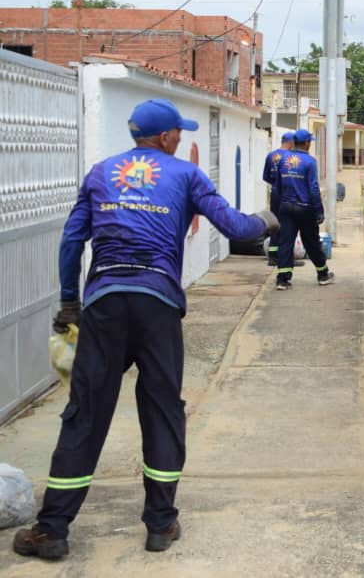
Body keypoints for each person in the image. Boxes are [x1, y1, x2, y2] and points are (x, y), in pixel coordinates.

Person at [12, 99, 278, 561]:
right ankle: (160, 524)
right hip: (157, 305)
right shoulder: (185, 175)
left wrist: (69, 303)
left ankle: (52, 530)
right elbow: (236, 228)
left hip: (105, 303)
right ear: (163, 137)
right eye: (179, 132)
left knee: (86, 413)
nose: (181, 138)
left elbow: (73, 241)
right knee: (161, 410)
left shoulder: (100, 173)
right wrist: (269, 220)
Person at [274, 128, 333, 289]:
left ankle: (282, 279)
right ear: (307, 143)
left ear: (294, 142)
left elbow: (277, 186)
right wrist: (319, 211)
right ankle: (322, 274)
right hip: (305, 209)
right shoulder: (310, 162)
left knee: (286, 242)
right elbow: (313, 188)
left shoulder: (283, 160)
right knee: (311, 242)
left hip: (286, 207)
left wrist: (280, 206)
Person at [262, 131, 295, 266]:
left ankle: (272, 256)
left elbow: (266, 177)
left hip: (274, 193)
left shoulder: (271, 155)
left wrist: (275, 184)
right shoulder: (291, 157)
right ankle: (285, 257)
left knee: (275, 223)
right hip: (287, 194)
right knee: (288, 224)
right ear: (291, 143)